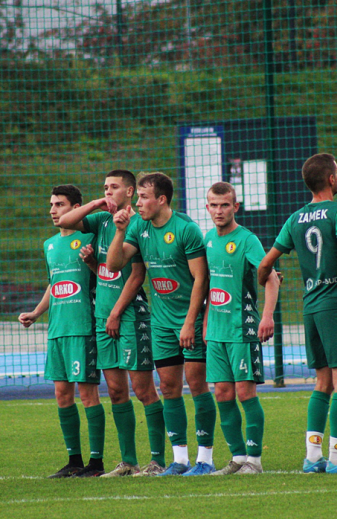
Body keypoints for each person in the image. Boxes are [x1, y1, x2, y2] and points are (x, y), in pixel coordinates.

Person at [258, 153, 337, 474]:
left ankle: (313, 458)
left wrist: (266, 280)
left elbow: (265, 264)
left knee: (322, 383)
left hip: (311, 307)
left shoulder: (295, 219)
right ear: (331, 179)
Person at [106, 172, 217, 476]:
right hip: (161, 322)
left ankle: (205, 459)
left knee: (197, 385)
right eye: (138, 196)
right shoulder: (138, 226)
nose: (137, 203)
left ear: (161, 200)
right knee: (168, 387)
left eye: (143, 197)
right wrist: (119, 232)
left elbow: (200, 280)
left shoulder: (186, 230)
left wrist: (190, 322)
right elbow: (115, 265)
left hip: (187, 321)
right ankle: (180, 460)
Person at [57, 170, 166, 477]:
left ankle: (157, 460)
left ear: (130, 192)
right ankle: (128, 462)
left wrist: (117, 312)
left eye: (114, 187)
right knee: (116, 392)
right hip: (103, 317)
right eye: (105, 187)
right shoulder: (102, 220)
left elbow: (136, 275)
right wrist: (95, 203)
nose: (108, 191)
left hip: (129, 315)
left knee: (143, 390)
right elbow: (66, 222)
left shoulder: (140, 223)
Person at [18, 185, 106, 478]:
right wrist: (36, 312)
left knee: (88, 394)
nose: (53, 210)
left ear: (76, 207)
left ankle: (96, 463)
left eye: (59, 204)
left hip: (83, 327)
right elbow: (54, 284)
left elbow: (107, 277)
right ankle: (74, 461)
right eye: (51, 204)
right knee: (61, 394)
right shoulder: (49, 245)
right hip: (57, 329)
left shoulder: (90, 237)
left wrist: (92, 261)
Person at [203, 182, 280, 475]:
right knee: (222, 393)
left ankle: (255, 461)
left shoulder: (247, 240)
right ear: (207, 207)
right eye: (214, 205)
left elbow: (271, 278)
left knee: (245, 394)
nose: (219, 210)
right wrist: (207, 321)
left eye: (225, 205)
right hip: (217, 331)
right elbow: (212, 286)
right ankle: (237, 458)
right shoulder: (208, 239)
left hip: (242, 329)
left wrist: (267, 317)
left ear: (236, 207)